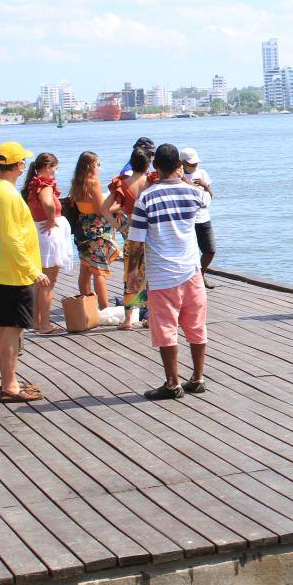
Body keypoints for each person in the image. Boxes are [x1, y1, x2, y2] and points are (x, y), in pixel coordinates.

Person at [127, 143, 211, 400]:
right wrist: (187, 179)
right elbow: (207, 197)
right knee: (196, 325)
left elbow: (136, 243)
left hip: (162, 274)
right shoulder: (193, 193)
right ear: (179, 165)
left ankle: (172, 383)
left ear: (155, 167)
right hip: (192, 271)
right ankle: (197, 378)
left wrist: (132, 273)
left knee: (166, 328)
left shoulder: (146, 198)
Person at [0, 142, 50, 402]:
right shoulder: (8, 194)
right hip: (13, 272)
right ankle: (9, 386)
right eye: (23, 163)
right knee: (13, 329)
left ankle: (8, 379)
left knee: (5, 327)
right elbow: (12, 237)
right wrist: (32, 270)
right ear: (19, 165)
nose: (24, 167)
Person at [23, 152, 72, 335]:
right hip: (49, 235)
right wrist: (51, 218)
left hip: (40, 233)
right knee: (48, 282)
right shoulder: (45, 184)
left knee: (41, 281)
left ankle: (37, 322)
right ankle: (45, 325)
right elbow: (47, 203)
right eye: (55, 168)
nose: (55, 172)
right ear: (48, 167)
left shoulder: (33, 183)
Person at [105, 146, 153, 330]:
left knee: (130, 276)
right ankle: (151, 317)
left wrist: (120, 226)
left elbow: (104, 209)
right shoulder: (152, 181)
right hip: (152, 235)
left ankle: (128, 320)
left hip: (132, 234)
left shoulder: (123, 184)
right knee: (151, 276)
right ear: (148, 164)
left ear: (132, 163)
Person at [69, 151, 121, 309]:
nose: (99, 167)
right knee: (99, 271)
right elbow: (100, 210)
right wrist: (121, 205)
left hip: (82, 228)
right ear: (90, 166)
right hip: (95, 229)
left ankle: (88, 307)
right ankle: (104, 309)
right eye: (98, 164)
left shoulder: (77, 182)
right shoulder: (93, 182)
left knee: (85, 269)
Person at [180, 147, 216, 288]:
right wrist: (187, 181)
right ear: (182, 163)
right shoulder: (179, 177)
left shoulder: (202, 173)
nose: (195, 166)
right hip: (188, 220)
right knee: (189, 252)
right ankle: (190, 280)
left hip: (204, 218)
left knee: (210, 250)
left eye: (196, 163)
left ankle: (200, 275)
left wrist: (205, 185)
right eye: (191, 164)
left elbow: (210, 196)